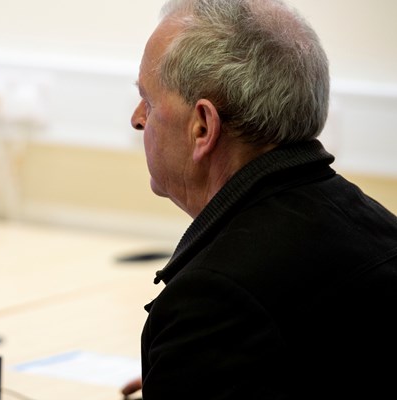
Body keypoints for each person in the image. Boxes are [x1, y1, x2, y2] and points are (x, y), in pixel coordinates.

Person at [122, 0, 397, 398]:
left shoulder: (217, 301)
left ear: (202, 127)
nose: (137, 118)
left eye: (148, 100)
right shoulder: (374, 226)